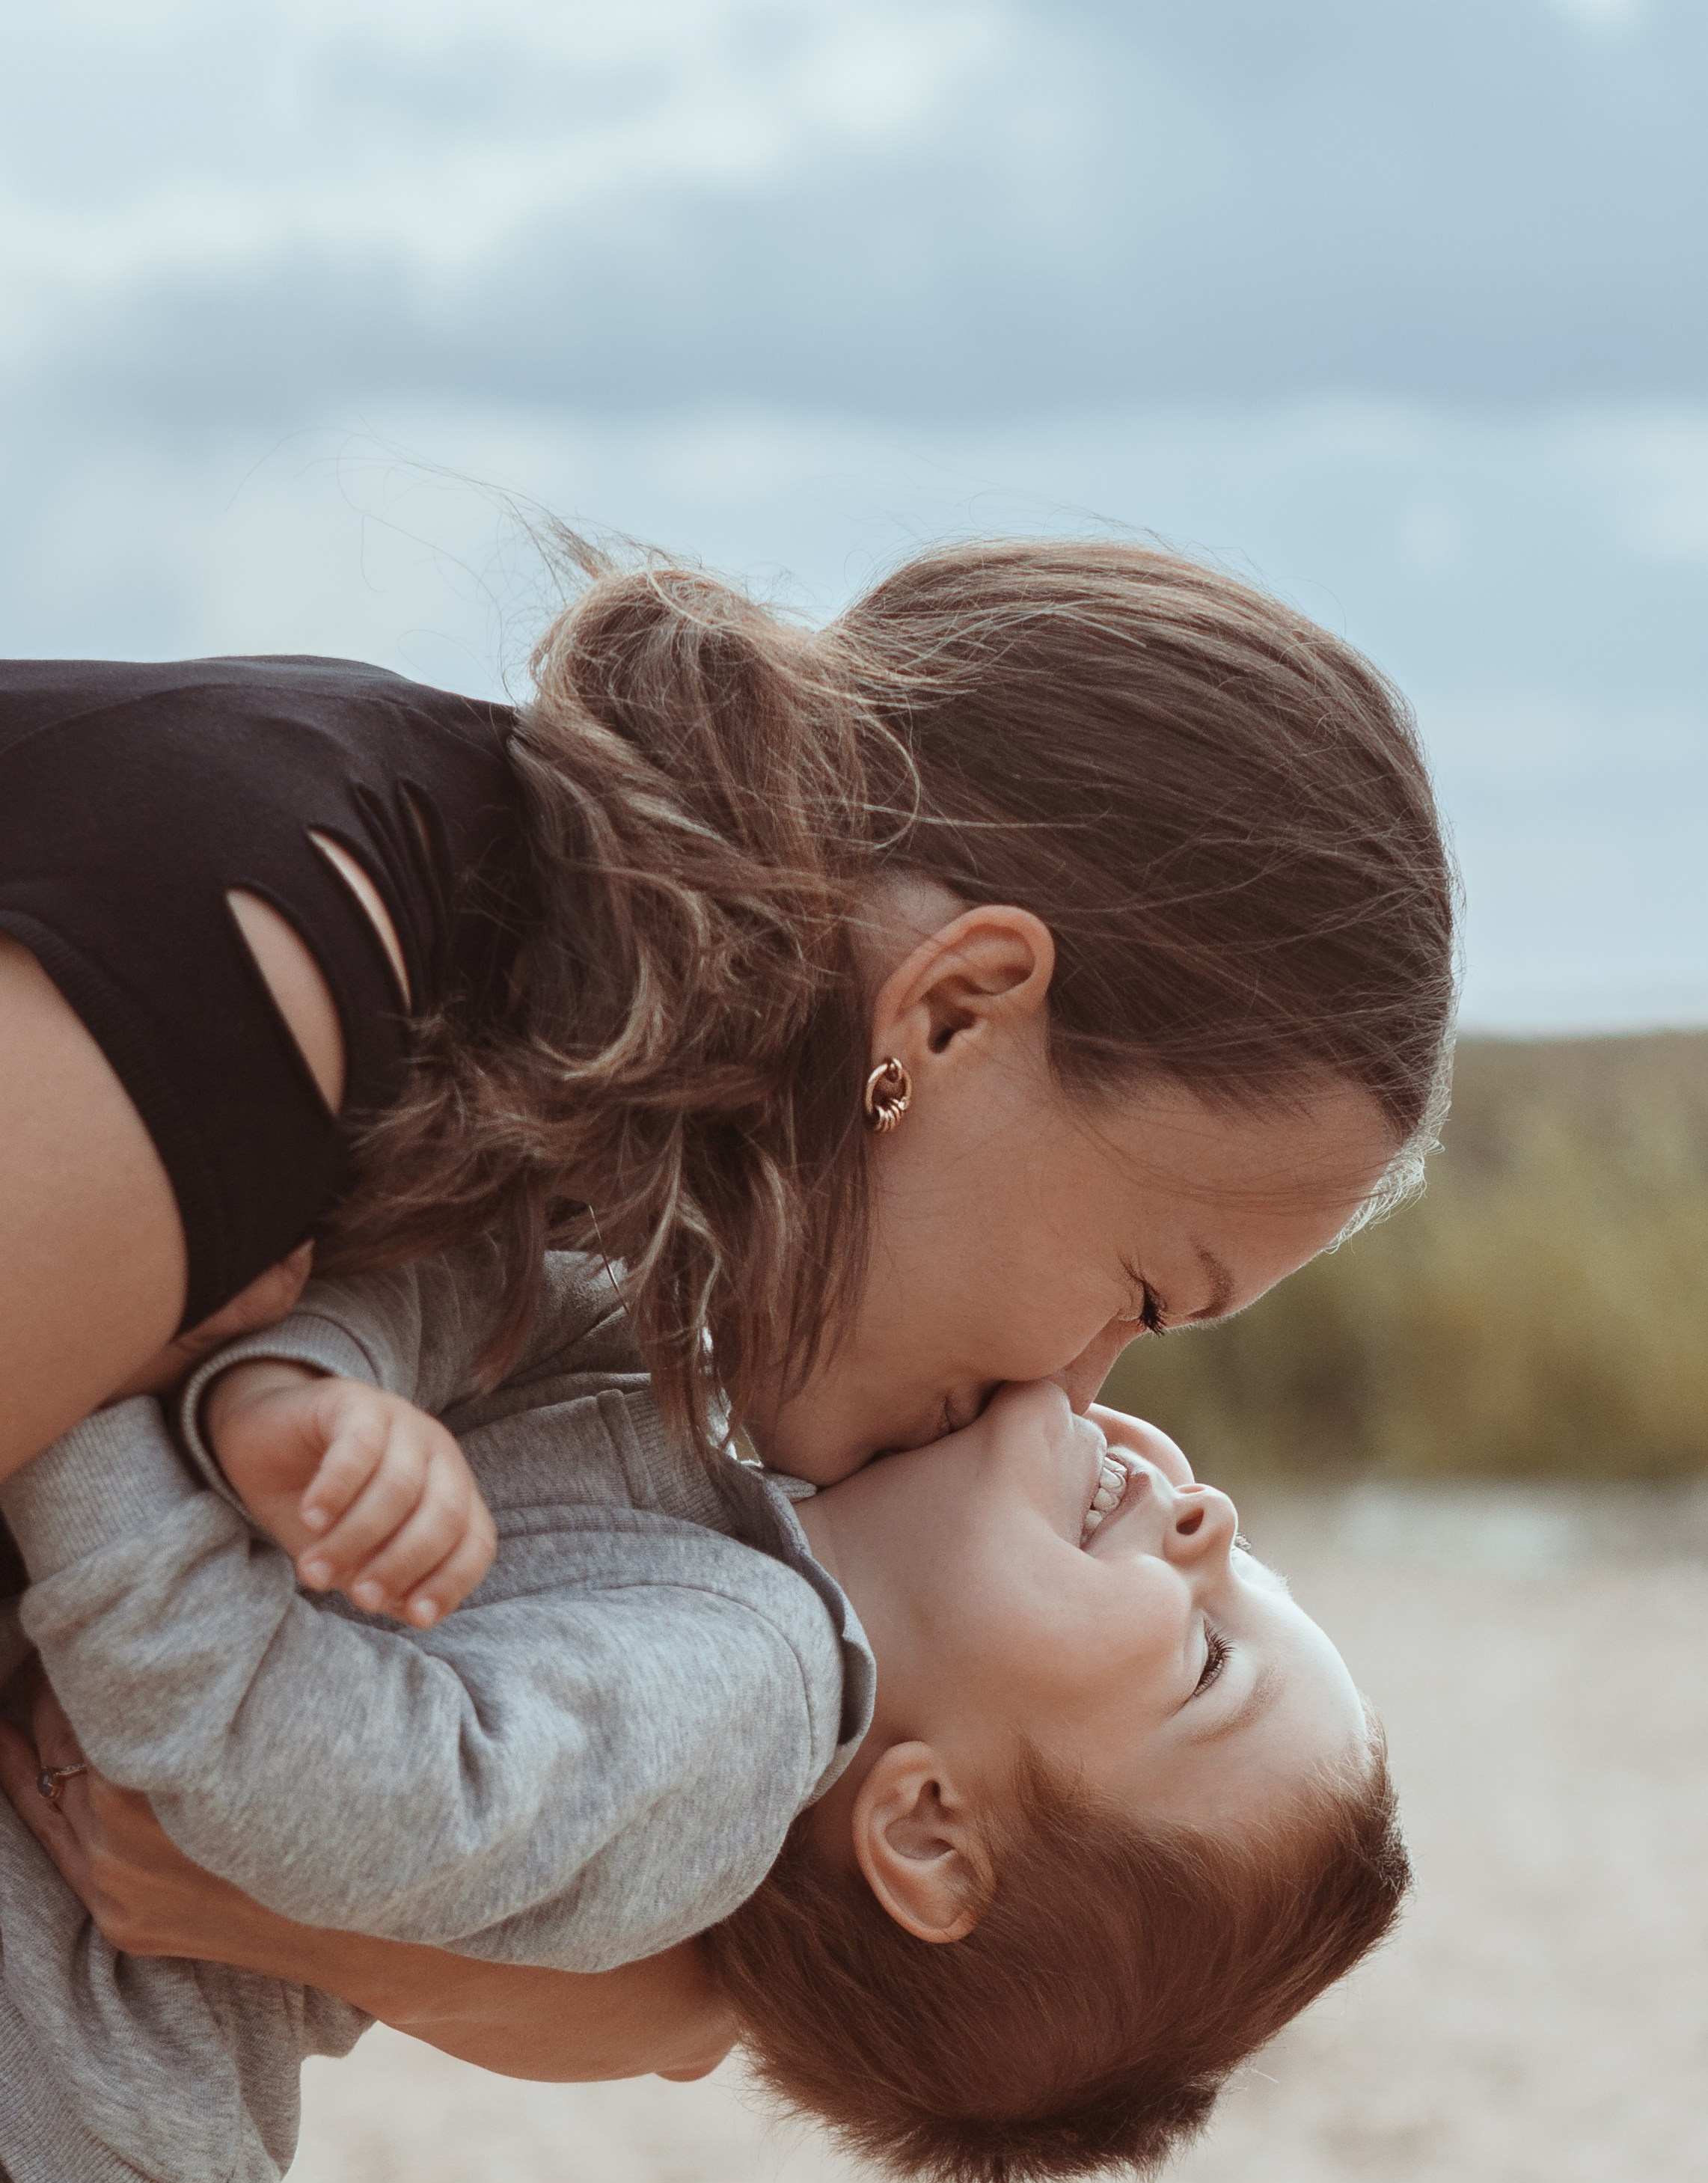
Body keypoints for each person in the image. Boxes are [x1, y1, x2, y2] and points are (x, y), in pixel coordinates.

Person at [0, 1244, 1406, 2183]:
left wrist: (99, 1356)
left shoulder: (735, 1698)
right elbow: (497, 1292)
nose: (1212, 1517)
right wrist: (281, 1376)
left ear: (925, 1829)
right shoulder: (734, 1465)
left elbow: (215, 1722)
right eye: (1260, 1566)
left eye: (1216, 1661)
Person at [0, 539, 1457, 1501]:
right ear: (953, 1014)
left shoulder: (549, 1138)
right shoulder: (276, 978)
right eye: (1142, 1295)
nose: (1067, 1411)